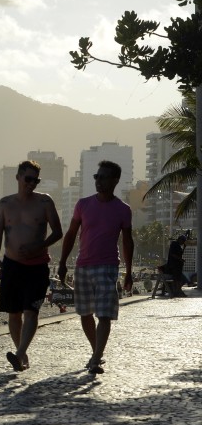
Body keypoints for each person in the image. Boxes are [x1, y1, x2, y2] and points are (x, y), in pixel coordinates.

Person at [58, 160, 133, 375]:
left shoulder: (123, 210)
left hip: (108, 266)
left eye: (103, 177)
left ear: (115, 180)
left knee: (105, 315)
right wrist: (63, 263)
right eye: (96, 177)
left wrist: (128, 272)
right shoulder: (83, 204)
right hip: (83, 266)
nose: (98, 181)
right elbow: (71, 234)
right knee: (85, 313)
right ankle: (96, 353)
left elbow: (128, 241)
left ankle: (97, 358)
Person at [0, 160, 63, 372]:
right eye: (28, 179)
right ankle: (21, 354)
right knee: (14, 313)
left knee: (31, 311)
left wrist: (38, 247)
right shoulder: (5, 204)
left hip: (37, 265)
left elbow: (58, 232)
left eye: (36, 180)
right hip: (12, 265)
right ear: (18, 177)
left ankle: (20, 354)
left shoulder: (44, 203)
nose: (32, 183)